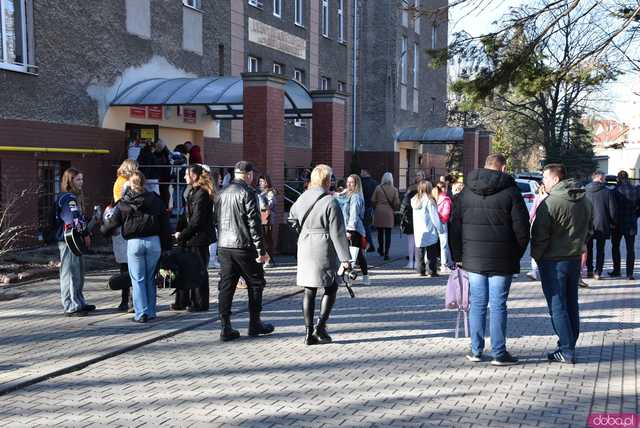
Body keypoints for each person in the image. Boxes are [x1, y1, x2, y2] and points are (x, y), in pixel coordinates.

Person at [449, 154, 530, 366]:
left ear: (484, 166)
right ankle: (499, 353)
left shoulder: (466, 193)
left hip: (473, 260)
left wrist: (458, 256)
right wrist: (516, 255)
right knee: (498, 305)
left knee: (477, 304)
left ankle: (476, 350)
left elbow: (454, 227)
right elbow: (522, 230)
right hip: (502, 260)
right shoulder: (512, 193)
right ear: (503, 168)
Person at [531, 164, 593, 364]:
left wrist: (537, 257)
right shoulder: (584, 199)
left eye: (545, 179)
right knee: (571, 303)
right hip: (573, 258)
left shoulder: (551, 203)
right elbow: (590, 226)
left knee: (557, 306)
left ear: (556, 180)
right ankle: (569, 344)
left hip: (552, 260)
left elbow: (539, 235)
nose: (543, 183)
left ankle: (566, 349)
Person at [289, 165, 352, 345]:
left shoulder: (303, 197)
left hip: (305, 245)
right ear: (327, 180)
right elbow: (337, 232)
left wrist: (303, 232)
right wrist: (345, 259)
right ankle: (321, 327)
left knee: (309, 290)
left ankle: (308, 332)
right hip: (323, 246)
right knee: (331, 287)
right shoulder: (330, 202)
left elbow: (291, 218)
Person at [216, 161, 274, 341]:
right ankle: (254, 323)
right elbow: (254, 224)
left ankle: (225, 326)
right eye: (252, 175)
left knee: (227, 285)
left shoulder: (222, 192)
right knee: (256, 283)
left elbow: (215, 219)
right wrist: (261, 251)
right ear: (248, 175)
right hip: (243, 245)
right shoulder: (248, 192)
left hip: (224, 244)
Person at [101, 172, 171, 323]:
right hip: (154, 242)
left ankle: (141, 313)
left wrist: (103, 230)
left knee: (137, 279)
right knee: (151, 278)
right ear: (144, 183)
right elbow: (165, 225)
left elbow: (111, 224)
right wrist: (167, 246)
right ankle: (152, 311)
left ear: (130, 184)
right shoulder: (156, 200)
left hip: (134, 243)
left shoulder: (123, 203)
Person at [172, 164, 216, 312]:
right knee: (186, 268)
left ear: (194, 176)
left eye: (186, 174)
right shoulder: (192, 192)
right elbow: (186, 216)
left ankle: (200, 302)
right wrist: (179, 231)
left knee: (199, 270)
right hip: (191, 237)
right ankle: (182, 301)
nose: (184, 177)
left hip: (199, 238)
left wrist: (183, 234)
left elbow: (197, 220)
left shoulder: (201, 194)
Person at [56, 168, 96, 317]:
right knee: (70, 273)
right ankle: (71, 306)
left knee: (79, 273)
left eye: (82, 179)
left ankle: (79, 302)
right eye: (78, 179)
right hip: (68, 241)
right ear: (70, 181)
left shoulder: (73, 197)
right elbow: (73, 220)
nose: (81, 182)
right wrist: (85, 233)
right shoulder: (68, 198)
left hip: (74, 239)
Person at [112, 159, 138, 312]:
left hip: (121, 228)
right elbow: (122, 205)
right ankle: (127, 300)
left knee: (125, 266)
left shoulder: (119, 181)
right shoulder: (124, 183)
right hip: (124, 228)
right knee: (128, 267)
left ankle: (125, 300)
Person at [337, 174, 370, 285]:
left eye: (352, 182)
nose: (349, 184)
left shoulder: (356, 196)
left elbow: (354, 215)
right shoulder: (345, 195)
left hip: (354, 230)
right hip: (346, 228)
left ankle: (348, 279)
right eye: (348, 181)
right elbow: (338, 197)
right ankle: (366, 278)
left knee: (351, 255)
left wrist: (350, 230)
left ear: (357, 184)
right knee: (359, 254)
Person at [584, 171, 617, 280]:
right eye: (604, 178)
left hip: (587, 224)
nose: (605, 180)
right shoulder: (607, 192)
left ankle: (589, 270)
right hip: (602, 223)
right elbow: (612, 210)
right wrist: (613, 223)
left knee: (588, 248)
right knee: (600, 249)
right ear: (600, 178)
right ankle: (598, 272)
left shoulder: (585, 190)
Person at [610, 170, 639, 279]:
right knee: (630, 249)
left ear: (618, 179)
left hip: (617, 224)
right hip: (631, 222)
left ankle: (617, 270)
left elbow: (612, 208)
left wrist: (612, 221)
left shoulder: (615, 191)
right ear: (627, 178)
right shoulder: (636, 190)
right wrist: (635, 215)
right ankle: (630, 273)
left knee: (615, 247)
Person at [412, 180, 443, 277]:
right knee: (431, 252)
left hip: (418, 230)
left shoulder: (414, 199)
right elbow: (434, 217)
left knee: (420, 251)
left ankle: (420, 270)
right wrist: (440, 229)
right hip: (429, 229)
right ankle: (432, 271)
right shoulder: (429, 200)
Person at [399, 171, 426, 269]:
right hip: (415, 217)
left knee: (414, 240)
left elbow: (405, 203)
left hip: (413, 217)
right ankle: (414, 262)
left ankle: (413, 262)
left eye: (419, 175)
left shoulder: (411, 189)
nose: (417, 177)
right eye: (417, 175)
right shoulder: (425, 188)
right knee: (416, 240)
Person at [372, 172, 400, 260]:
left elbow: (373, 199)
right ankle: (387, 253)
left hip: (379, 211)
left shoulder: (378, 188)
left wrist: (376, 206)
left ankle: (381, 249)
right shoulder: (394, 189)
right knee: (388, 234)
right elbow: (397, 203)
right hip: (389, 212)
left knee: (380, 232)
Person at [526, 184, 548, 281]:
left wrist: (527, 223)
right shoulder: (551, 198)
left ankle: (534, 272)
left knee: (535, 249)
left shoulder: (538, 198)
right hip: (548, 228)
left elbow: (532, 213)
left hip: (536, 227)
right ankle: (544, 272)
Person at [433, 181, 452, 274]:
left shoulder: (434, 198)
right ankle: (444, 265)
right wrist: (443, 221)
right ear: (443, 188)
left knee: (433, 243)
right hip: (443, 223)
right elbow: (446, 213)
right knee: (444, 244)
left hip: (434, 223)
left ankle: (449, 261)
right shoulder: (446, 199)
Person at [258, 175, 277, 268]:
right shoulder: (261, 192)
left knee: (267, 240)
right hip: (261, 219)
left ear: (267, 182)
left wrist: (260, 198)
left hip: (268, 219)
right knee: (262, 240)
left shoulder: (270, 193)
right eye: (260, 181)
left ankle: (269, 260)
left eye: (262, 181)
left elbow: (268, 206)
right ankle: (264, 258)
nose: (260, 183)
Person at [360, 169, 378, 253]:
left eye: (362, 171)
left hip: (363, 207)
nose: (361, 173)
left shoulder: (361, 183)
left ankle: (369, 245)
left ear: (366, 172)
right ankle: (370, 245)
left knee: (364, 227)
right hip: (371, 207)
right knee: (367, 227)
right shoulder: (375, 183)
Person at [169, 144, 188, 216]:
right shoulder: (182, 158)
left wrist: (173, 177)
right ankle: (180, 211)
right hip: (180, 180)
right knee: (178, 195)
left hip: (180, 180)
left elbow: (177, 168)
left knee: (177, 196)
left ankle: (178, 211)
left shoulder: (181, 158)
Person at [153, 139, 172, 207]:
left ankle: (164, 207)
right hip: (163, 175)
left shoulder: (165, 153)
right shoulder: (165, 152)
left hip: (163, 175)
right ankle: (164, 207)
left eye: (156, 146)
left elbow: (162, 163)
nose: (155, 148)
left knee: (164, 191)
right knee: (163, 191)